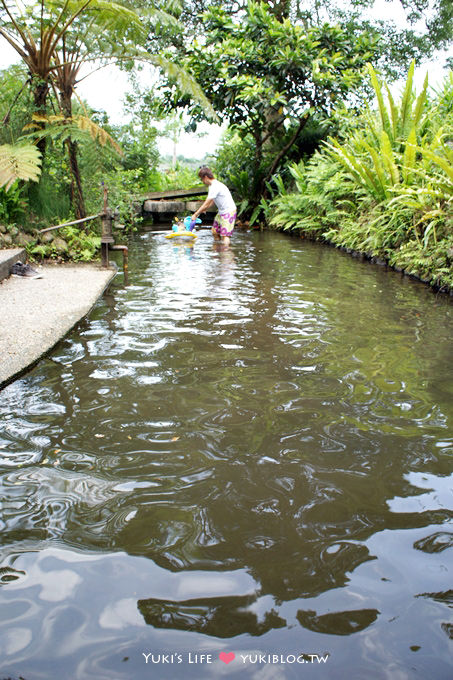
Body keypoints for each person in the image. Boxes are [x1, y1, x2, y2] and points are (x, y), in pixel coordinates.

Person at [191, 167, 237, 246]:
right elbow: (211, 202)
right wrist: (204, 209)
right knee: (215, 231)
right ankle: (218, 250)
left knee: (225, 235)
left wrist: (196, 214)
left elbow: (206, 203)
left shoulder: (215, 186)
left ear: (205, 177)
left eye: (202, 179)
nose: (203, 182)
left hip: (229, 211)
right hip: (221, 212)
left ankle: (226, 254)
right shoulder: (212, 186)